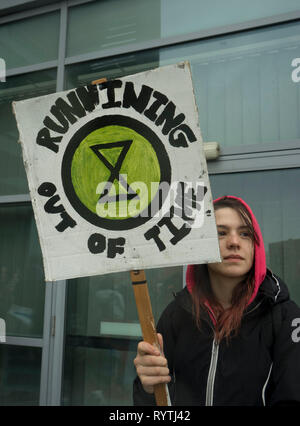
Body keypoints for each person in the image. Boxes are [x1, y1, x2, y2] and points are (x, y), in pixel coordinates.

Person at [133, 195, 300, 406]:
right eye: (221, 233)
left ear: (255, 246)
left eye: (245, 234)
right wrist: (148, 386)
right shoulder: (177, 314)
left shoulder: (285, 317)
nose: (234, 242)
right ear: (203, 244)